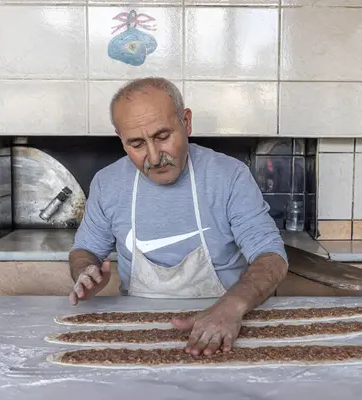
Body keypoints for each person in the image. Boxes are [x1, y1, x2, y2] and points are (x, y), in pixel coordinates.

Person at [68, 77, 288, 357]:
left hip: (225, 328)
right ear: (120, 140)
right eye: (136, 144)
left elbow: (272, 257)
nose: (154, 156)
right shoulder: (108, 183)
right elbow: (84, 250)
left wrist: (231, 307)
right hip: (138, 335)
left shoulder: (229, 176)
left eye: (162, 137)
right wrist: (85, 271)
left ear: (186, 122)